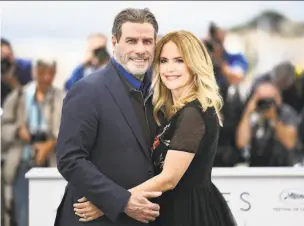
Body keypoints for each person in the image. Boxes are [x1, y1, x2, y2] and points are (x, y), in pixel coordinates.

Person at [74, 30, 237, 226]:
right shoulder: (178, 110)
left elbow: (168, 179)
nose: (169, 68)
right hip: (173, 209)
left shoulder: (193, 113)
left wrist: (110, 202)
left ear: (194, 64)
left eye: (179, 60)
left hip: (187, 214)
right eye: (163, 60)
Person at [54, 8, 162, 226]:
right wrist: (121, 201)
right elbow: (70, 159)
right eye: (131, 41)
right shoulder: (87, 90)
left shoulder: (160, 91)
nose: (140, 49)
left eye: (147, 41)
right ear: (114, 42)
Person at [2, 57, 64, 226]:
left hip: (51, 165)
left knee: (50, 216)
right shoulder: (18, 97)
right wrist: (17, 130)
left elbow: (70, 130)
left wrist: (50, 144)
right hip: (22, 164)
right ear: (34, 72)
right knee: (24, 217)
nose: (46, 78)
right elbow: (3, 129)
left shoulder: (61, 98)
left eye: (50, 73)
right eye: (42, 72)